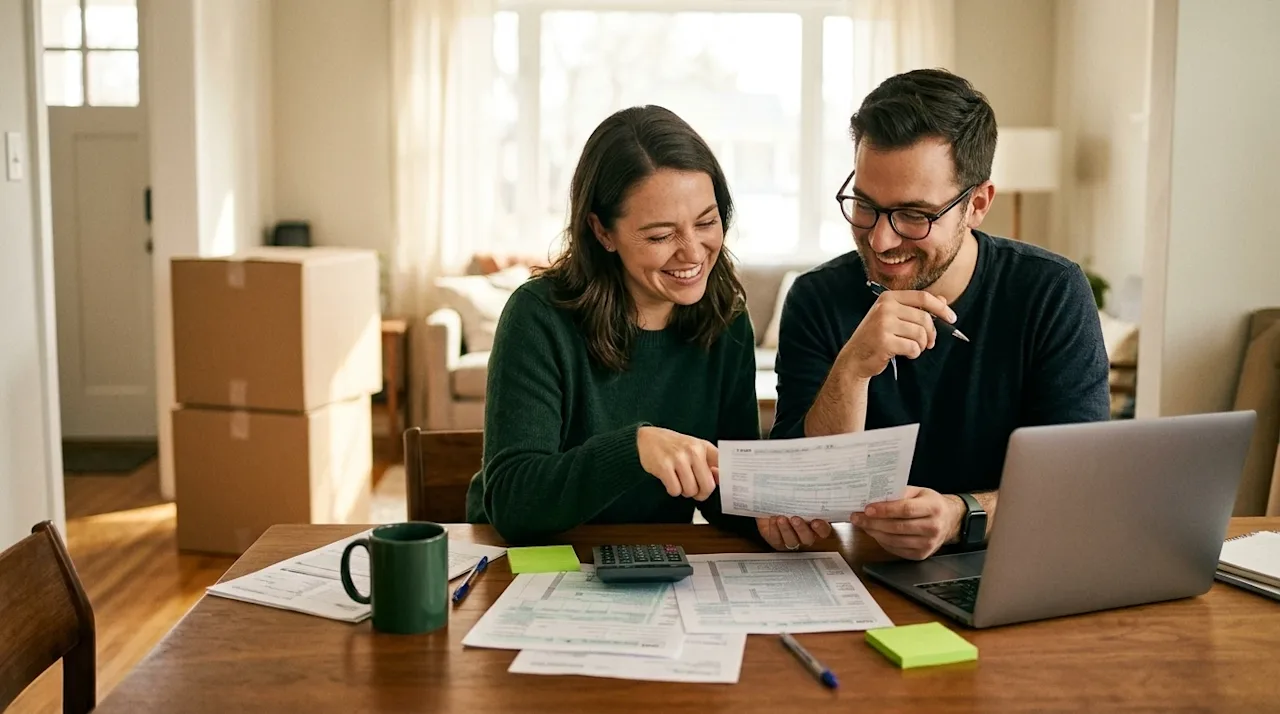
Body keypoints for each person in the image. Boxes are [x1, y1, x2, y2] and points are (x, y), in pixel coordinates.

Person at [769, 69, 1110, 560]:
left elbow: (1078, 483)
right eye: (865, 205)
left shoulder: (1050, 292)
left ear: (976, 204)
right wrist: (852, 368)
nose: (882, 240)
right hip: (856, 567)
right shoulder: (816, 298)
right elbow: (799, 496)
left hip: (1010, 564)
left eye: (914, 215)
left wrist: (961, 515)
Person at [466, 105, 783, 546]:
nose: (693, 253)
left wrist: (779, 512)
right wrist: (635, 450)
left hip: (649, 565)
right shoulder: (537, 316)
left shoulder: (726, 317)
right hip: (536, 563)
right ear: (602, 231)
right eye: (660, 236)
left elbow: (723, 494)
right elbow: (514, 504)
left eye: (707, 222)